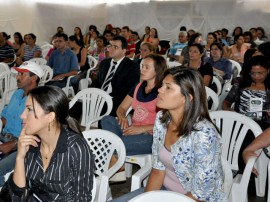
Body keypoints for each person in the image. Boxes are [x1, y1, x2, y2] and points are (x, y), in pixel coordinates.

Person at [111, 67, 226, 202]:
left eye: (168, 87)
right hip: (165, 191)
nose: (159, 90)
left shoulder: (204, 134)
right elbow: (158, 169)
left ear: (187, 97)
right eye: (162, 85)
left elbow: (201, 193)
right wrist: (147, 199)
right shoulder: (162, 120)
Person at [7, 85, 94, 201]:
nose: (22, 115)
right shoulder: (32, 144)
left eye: (29, 109)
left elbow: (82, 198)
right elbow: (17, 197)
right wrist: (20, 157)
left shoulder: (75, 147)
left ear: (50, 117)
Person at [101, 54, 167, 156]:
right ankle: (118, 149)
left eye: (147, 67)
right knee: (106, 119)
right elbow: (122, 107)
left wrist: (142, 129)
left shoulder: (163, 91)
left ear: (157, 70)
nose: (142, 70)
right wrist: (122, 117)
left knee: (112, 144)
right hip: (132, 129)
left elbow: (168, 123)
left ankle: (115, 154)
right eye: (142, 66)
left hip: (152, 135)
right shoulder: (138, 87)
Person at [0, 61, 43, 187]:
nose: (17, 77)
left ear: (34, 77)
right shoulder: (17, 93)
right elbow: (5, 118)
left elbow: (39, 133)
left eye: (22, 74)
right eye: (18, 74)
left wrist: (13, 144)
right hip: (5, 137)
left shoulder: (40, 100)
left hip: (24, 146)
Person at [91, 36, 140, 116]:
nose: (111, 49)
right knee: (76, 105)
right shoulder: (104, 63)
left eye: (115, 47)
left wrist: (106, 97)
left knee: (103, 111)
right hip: (100, 97)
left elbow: (130, 89)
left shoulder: (132, 66)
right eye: (110, 46)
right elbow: (98, 82)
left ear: (124, 51)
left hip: (116, 101)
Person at [222, 55, 270, 130]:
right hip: (240, 123)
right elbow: (226, 102)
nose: (256, 76)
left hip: (264, 127)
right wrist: (228, 109)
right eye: (252, 73)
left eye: (260, 73)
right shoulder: (241, 83)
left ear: (268, 70)